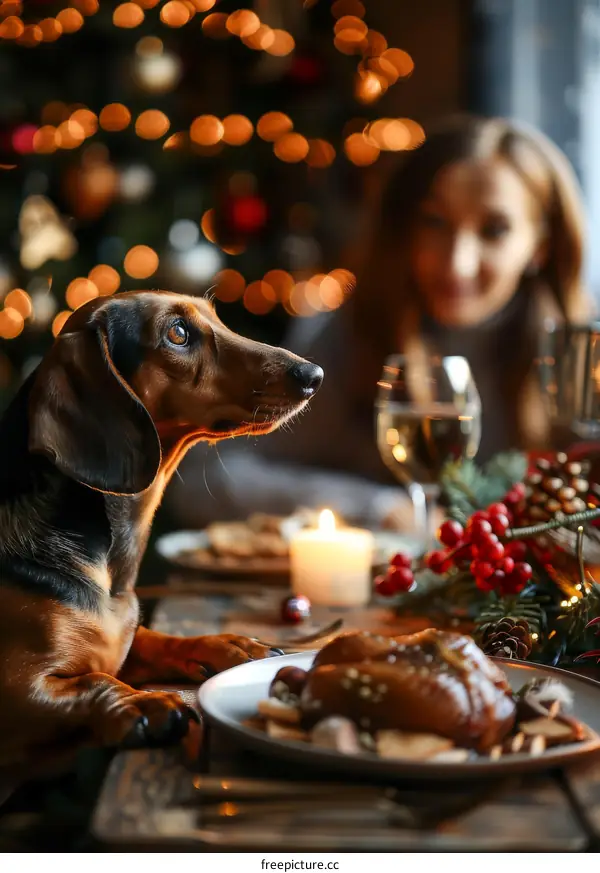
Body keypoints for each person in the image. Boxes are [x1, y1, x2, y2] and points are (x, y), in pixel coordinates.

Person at [164, 113, 594, 532]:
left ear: (541, 244)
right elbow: (206, 483)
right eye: (434, 222)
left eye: (494, 230)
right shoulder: (349, 337)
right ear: (402, 228)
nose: (457, 264)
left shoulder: (584, 359)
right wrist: (376, 508)